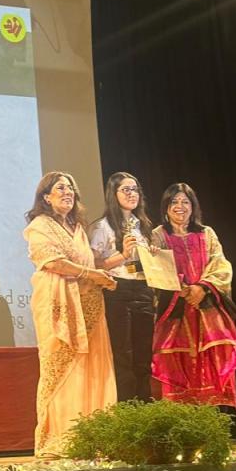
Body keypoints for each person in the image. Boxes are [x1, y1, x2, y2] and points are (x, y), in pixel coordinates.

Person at [24, 171, 117, 455]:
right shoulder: (39, 226)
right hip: (57, 306)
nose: (68, 193)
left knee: (93, 368)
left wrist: (103, 276)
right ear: (46, 197)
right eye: (61, 188)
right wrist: (93, 274)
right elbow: (53, 263)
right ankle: (59, 440)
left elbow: (88, 264)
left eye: (71, 188)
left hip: (90, 304)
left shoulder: (77, 228)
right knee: (60, 368)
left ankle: (92, 438)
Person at [150, 183, 236, 408]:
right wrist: (182, 289)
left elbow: (221, 265)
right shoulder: (158, 235)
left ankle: (212, 419)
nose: (180, 206)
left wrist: (202, 288)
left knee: (212, 363)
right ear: (166, 207)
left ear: (193, 207)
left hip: (206, 310)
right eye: (174, 202)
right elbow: (156, 268)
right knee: (176, 364)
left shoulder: (206, 233)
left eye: (185, 202)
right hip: (175, 311)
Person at [88, 172, 156, 402]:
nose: (131, 194)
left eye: (135, 189)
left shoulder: (142, 225)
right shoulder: (102, 227)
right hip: (118, 290)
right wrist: (123, 255)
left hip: (143, 289)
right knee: (123, 354)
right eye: (125, 189)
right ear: (113, 194)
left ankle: (145, 406)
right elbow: (93, 264)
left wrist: (153, 257)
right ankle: (127, 408)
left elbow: (139, 264)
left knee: (144, 353)